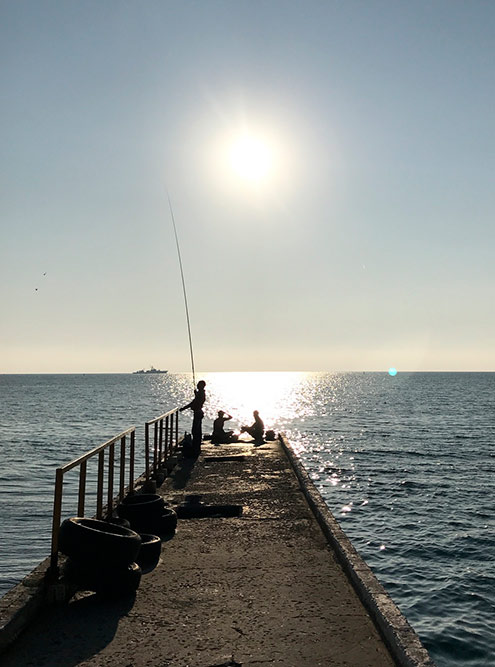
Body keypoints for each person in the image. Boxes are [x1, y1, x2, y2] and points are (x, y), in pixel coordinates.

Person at [180, 380, 206, 452]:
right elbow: (196, 401)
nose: (197, 385)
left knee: (195, 431)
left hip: (198, 412)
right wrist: (196, 395)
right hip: (198, 412)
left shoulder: (200, 394)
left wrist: (183, 408)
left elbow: (194, 403)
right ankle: (196, 447)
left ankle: (196, 447)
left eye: (198, 384)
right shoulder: (201, 393)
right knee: (197, 430)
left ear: (201, 386)